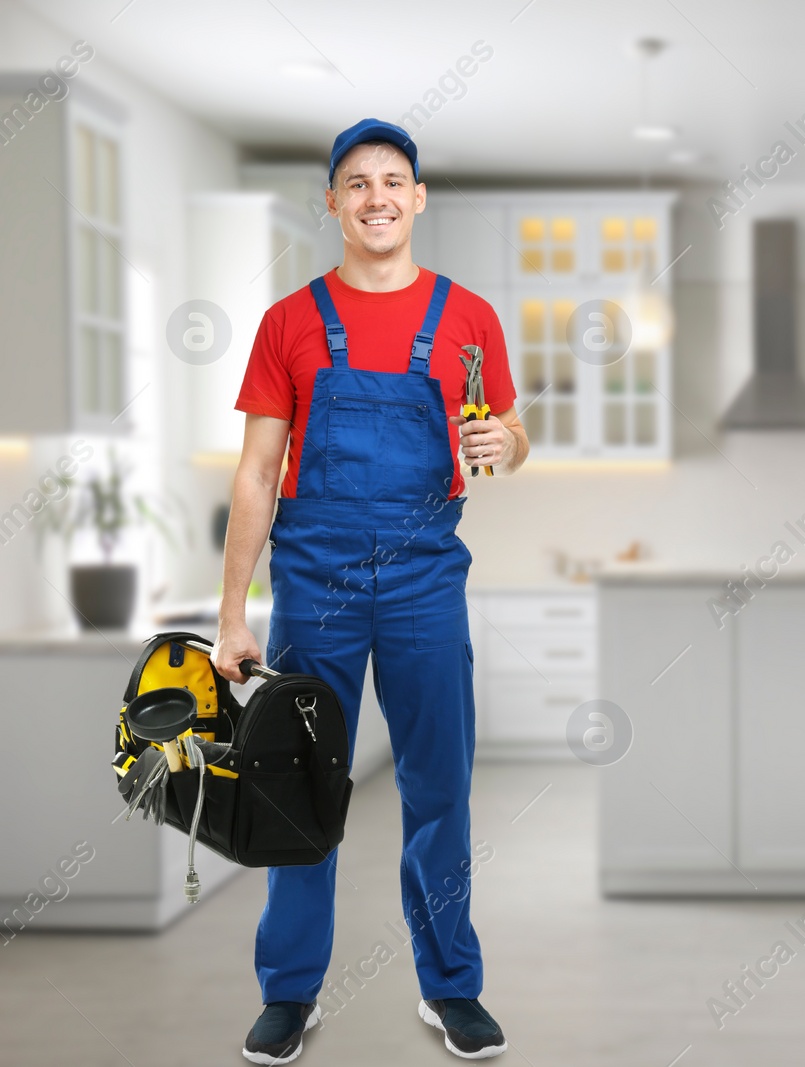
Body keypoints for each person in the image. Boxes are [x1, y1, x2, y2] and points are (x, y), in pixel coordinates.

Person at [213, 118, 528, 1063]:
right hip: (316, 580)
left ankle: (451, 987)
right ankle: (291, 992)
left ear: (418, 198)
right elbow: (255, 473)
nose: (377, 196)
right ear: (334, 202)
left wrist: (500, 447)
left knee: (440, 785)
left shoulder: (468, 317)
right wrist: (232, 612)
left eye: (394, 181)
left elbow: (513, 434)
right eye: (357, 183)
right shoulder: (289, 322)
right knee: (300, 780)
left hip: (429, 576)